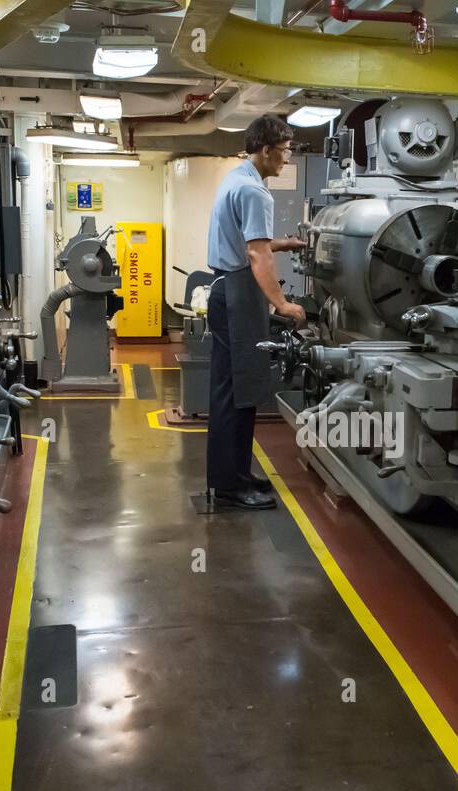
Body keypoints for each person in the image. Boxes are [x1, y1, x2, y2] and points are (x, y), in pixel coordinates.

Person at [204, 114, 306, 510]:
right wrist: (282, 304)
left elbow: (253, 243)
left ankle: (236, 473)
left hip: (225, 288)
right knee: (237, 392)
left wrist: (280, 244)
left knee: (235, 390)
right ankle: (231, 487)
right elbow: (254, 254)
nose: (286, 159)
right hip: (238, 294)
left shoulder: (236, 178)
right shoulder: (256, 193)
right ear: (265, 150)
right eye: (283, 152)